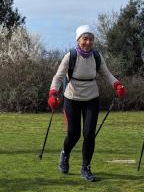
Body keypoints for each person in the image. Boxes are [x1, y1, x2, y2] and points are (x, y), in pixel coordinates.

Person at [48, 25, 126, 182]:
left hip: (91, 98)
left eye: (91, 39)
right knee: (74, 134)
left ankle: (86, 168)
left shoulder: (96, 56)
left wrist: (117, 85)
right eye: (85, 38)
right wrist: (53, 93)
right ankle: (65, 154)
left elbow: (106, 73)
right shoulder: (70, 56)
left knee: (89, 134)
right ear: (78, 40)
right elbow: (58, 77)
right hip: (72, 98)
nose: (88, 42)